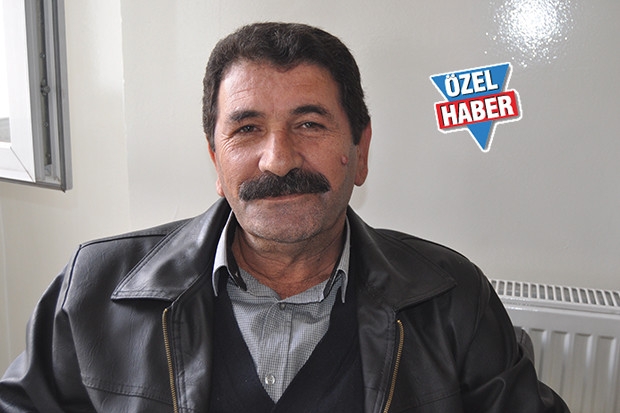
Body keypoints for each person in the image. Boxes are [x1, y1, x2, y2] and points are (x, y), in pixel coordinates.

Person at [0, 22, 569, 413]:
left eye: (310, 124)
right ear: (215, 159)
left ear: (361, 151)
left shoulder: (452, 298)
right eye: (247, 129)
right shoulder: (95, 289)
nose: (278, 159)